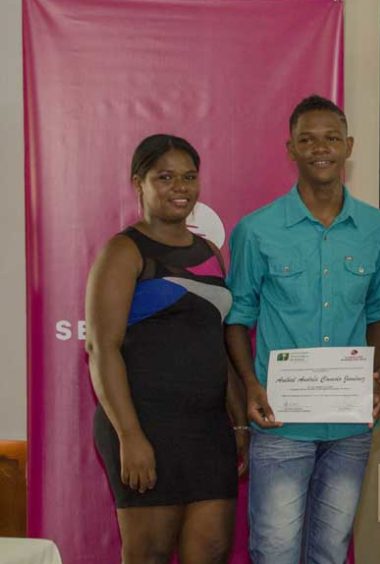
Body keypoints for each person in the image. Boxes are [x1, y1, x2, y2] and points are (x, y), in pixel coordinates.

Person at [224, 95, 380, 563]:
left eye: (331, 138)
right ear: (290, 149)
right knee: (275, 550)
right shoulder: (256, 230)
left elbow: (379, 312)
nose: (321, 149)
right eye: (307, 140)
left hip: (349, 425)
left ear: (349, 146)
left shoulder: (377, 228)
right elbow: (238, 320)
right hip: (281, 425)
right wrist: (251, 384)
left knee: (330, 551)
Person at [86, 133, 245, 563]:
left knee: (211, 551)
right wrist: (130, 436)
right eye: (166, 177)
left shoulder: (212, 252)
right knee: (149, 554)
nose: (181, 187)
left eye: (190, 177)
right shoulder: (124, 251)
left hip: (209, 432)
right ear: (139, 182)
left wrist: (240, 421)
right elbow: (102, 349)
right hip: (147, 426)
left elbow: (217, 341)